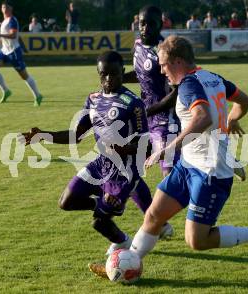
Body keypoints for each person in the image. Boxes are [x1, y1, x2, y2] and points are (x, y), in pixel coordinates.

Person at [90, 36, 248, 277]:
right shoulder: (213, 77)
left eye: (163, 64)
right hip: (188, 165)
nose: (160, 70)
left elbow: (203, 117)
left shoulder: (188, 85)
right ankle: (127, 264)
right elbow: (244, 100)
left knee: (196, 240)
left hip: (210, 172)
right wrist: (232, 119)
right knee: (154, 216)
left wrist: (169, 148)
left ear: (177, 61)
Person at [22, 51, 168, 260]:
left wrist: (124, 148)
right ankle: (105, 207)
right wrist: (43, 135)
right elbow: (76, 135)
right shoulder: (93, 99)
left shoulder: (133, 103)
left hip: (124, 171)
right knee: (66, 202)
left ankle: (122, 242)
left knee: (100, 222)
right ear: (98, 74)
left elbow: (146, 146)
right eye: (104, 74)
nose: (109, 79)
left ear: (122, 72)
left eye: (114, 74)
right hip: (101, 164)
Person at [123, 5, 180, 177]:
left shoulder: (164, 52)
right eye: (142, 23)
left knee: (169, 173)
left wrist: (145, 111)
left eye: (151, 24)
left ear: (160, 26)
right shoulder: (138, 45)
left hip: (165, 121)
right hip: (145, 120)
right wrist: (120, 78)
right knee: (126, 165)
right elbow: (142, 75)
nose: (145, 28)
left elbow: (176, 92)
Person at [0, 2, 43, 106]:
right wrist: (0, 40)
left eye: (7, 6)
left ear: (11, 8)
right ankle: (6, 91)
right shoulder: (4, 21)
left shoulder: (12, 20)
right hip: (4, 50)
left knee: (24, 76)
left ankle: (38, 95)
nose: (5, 8)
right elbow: (11, 37)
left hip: (14, 52)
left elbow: (13, 35)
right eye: (3, 6)